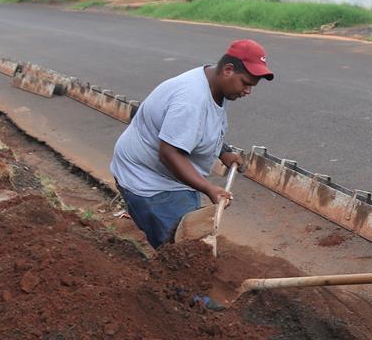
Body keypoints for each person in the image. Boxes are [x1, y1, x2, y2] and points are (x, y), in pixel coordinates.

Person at [110, 39, 273, 249]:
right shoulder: (191, 99)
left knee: (192, 240)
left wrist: (223, 152)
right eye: (246, 83)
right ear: (228, 70)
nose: (248, 91)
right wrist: (209, 188)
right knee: (182, 251)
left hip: (174, 179)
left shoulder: (214, 84)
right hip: (149, 182)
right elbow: (169, 153)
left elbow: (200, 128)